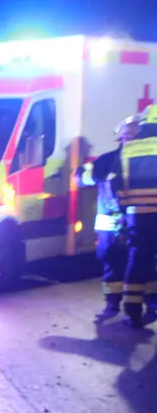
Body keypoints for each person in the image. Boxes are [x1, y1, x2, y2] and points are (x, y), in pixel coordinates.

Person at [83, 117, 139, 321]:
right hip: (114, 225)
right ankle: (113, 304)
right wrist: (87, 173)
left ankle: (137, 307)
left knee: (139, 265)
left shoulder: (145, 162)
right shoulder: (106, 161)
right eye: (125, 136)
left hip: (134, 223)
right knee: (112, 263)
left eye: (131, 136)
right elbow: (81, 178)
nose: (127, 140)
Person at [119, 104, 157, 326]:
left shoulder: (130, 148)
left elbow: (120, 184)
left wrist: (126, 210)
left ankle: (132, 311)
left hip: (138, 215)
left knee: (138, 260)